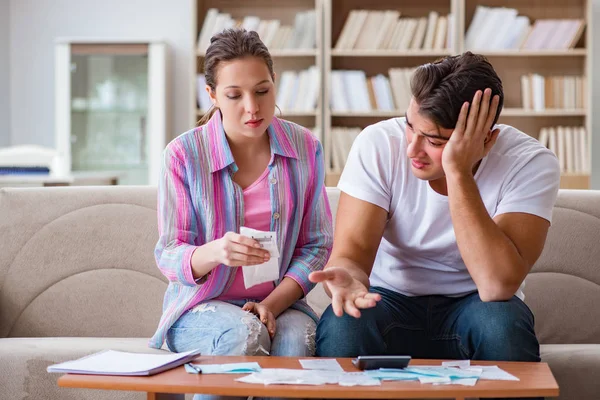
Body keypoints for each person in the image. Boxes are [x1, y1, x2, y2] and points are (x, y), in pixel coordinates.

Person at [310, 52, 559, 400]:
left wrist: (458, 172)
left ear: (485, 141)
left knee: (503, 325)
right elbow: (351, 256)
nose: (412, 148)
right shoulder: (377, 143)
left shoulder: (530, 162)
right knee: (342, 323)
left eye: (435, 141)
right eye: (411, 126)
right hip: (388, 300)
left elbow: (496, 285)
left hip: (475, 303)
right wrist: (349, 277)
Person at [148, 28, 333, 398]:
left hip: (280, 304)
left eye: (263, 91)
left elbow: (317, 245)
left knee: (296, 340)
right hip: (201, 307)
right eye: (234, 95)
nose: (252, 107)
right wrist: (216, 251)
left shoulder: (305, 147)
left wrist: (270, 304)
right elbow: (169, 253)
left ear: (275, 83)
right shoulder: (183, 155)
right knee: (242, 332)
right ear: (212, 95)